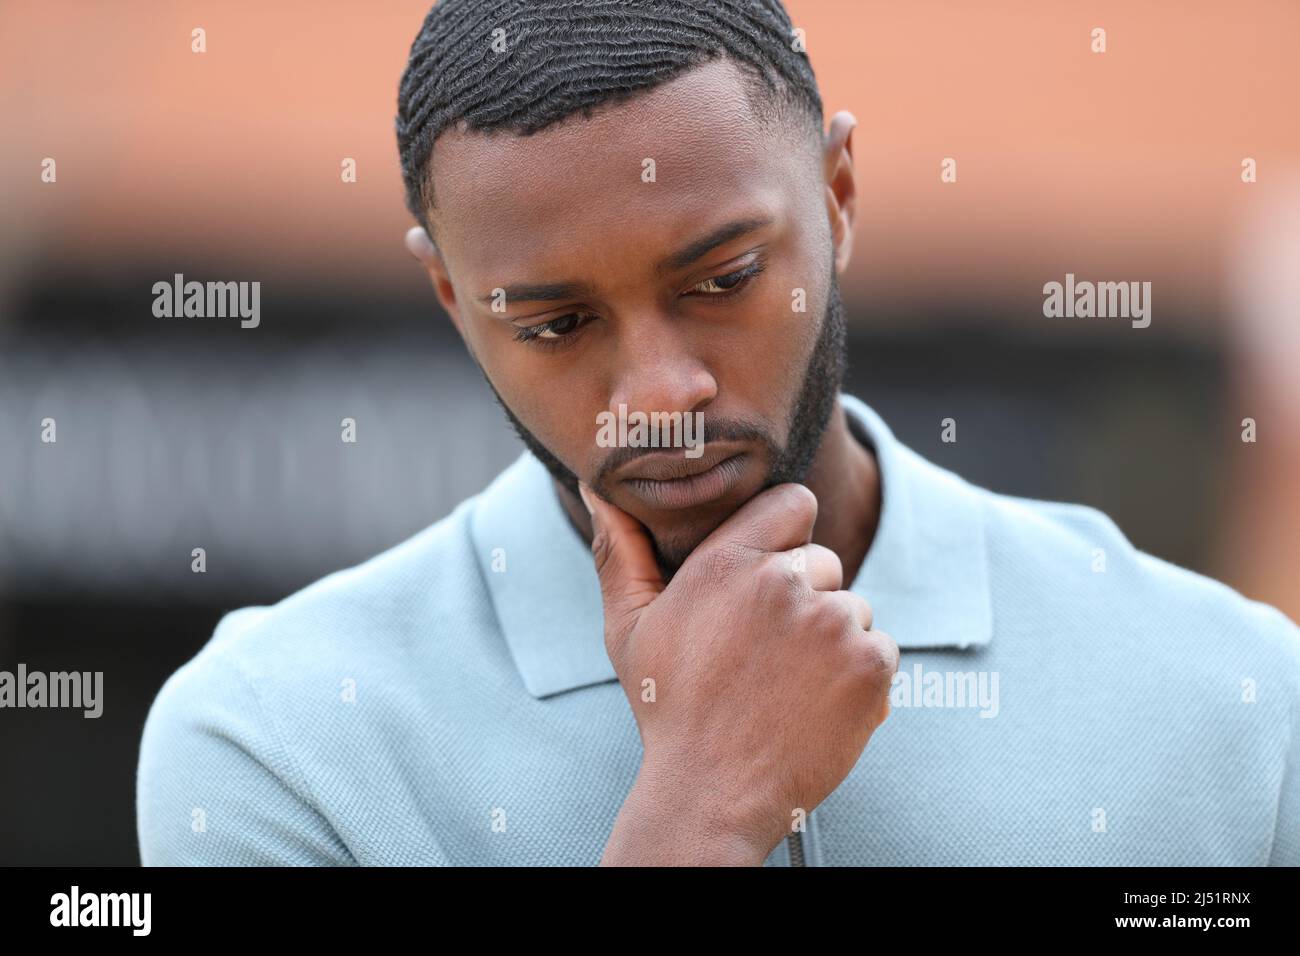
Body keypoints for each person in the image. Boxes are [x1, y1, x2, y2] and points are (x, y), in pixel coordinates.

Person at [137, 0, 1299, 866]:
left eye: (724, 277)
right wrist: (698, 808)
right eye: (554, 323)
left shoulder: (1231, 698)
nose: (657, 391)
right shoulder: (277, 742)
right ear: (453, 299)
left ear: (839, 197)